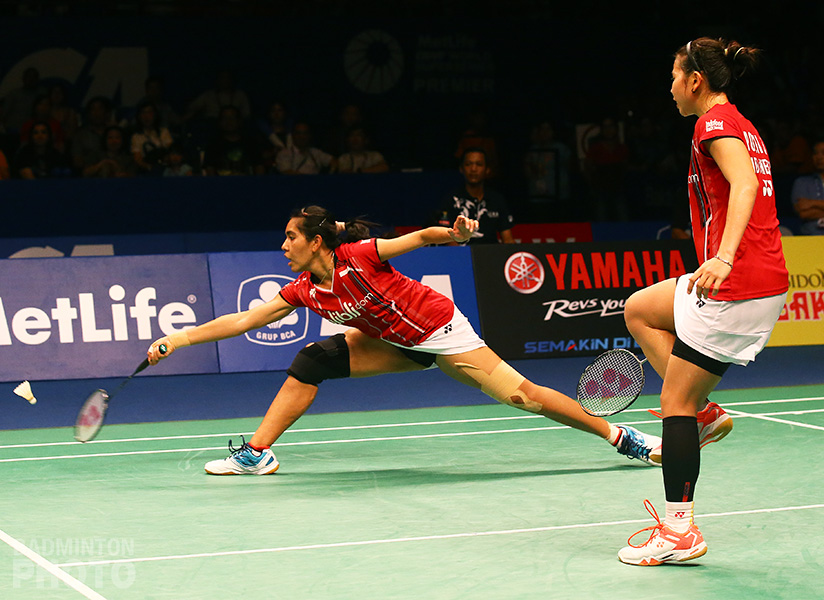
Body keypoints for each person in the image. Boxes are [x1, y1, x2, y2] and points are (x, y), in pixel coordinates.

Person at [147, 206, 662, 475]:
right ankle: (258, 453)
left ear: (316, 241)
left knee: (521, 396)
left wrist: (456, 235)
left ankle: (621, 437)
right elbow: (244, 320)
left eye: (291, 237)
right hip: (396, 344)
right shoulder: (303, 289)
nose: (283, 245)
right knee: (312, 360)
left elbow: (417, 239)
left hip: (440, 331)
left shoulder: (359, 256)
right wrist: (180, 338)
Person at [617, 38, 789, 566]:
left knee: (675, 403)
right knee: (639, 309)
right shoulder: (740, 123)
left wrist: (724, 258)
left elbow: (745, 186)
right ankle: (706, 415)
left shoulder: (713, 123)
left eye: (675, 77)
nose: (670, 88)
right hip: (755, 278)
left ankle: (679, 532)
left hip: (738, 284)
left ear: (695, 80)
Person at [439, 147, 514, 244]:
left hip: (491, 252)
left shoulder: (497, 199)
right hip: (461, 252)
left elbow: (508, 239)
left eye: (479, 164)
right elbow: (448, 240)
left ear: (487, 169)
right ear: (461, 168)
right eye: (468, 164)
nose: (473, 169)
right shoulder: (451, 200)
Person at [523, 119, 573, 222]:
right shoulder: (532, 150)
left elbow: (570, 168)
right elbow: (527, 172)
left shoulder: (561, 148)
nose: (545, 132)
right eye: (542, 129)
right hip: (538, 197)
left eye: (548, 129)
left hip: (559, 196)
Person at [201, 105, 265, 176]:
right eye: (225, 118)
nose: (228, 121)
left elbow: (259, 167)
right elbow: (209, 169)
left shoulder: (251, 143)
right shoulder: (213, 144)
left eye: (232, 118)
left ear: (239, 121)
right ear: (220, 122)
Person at [71, 96, 115, 174]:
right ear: (88, 114)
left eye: (100, 109)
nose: (96, 113)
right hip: (89, 175)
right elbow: (77, 161)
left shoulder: (114, 133)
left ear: (106, 113)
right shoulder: (81, 135)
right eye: (93, 109)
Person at [130, 100, 174, 175]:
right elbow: (138, 160)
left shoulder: (164, 132)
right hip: (147, 172)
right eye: (143, 113)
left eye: (149, 112)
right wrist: (151, 168)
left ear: (155, 114)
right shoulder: (136, 137)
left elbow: (171, 152)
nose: (146, 116)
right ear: (139, 116)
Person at [790, 138, 824, 234]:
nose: (819, 157)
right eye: (815, 153)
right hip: (810, 237)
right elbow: (803, 213)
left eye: (823, 153)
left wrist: (812, 203)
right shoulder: (801, 182)